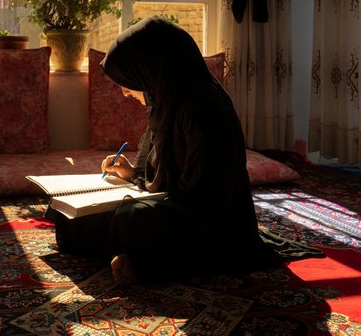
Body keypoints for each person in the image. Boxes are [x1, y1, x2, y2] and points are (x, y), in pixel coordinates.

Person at [52, 16, 284, 284]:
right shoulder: (168, 100)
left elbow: (203, 203)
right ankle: (128, 251)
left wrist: (141, 202)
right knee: (69, 212)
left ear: (149, 67)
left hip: (212, 222)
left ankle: (144, 261)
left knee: (131, 218)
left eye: (126, 79)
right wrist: (134, 176)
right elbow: (165, 176)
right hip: (179, 207)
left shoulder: (203, 108)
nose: (125, 92)